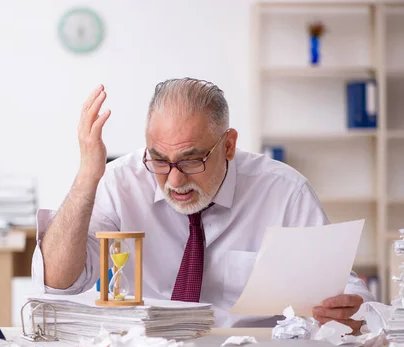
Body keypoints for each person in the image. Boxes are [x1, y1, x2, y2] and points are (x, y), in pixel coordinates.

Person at [31, 78, 374, 331]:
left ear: (228, 145)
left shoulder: (284, 191)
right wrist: (87, 178)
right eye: (159, 159)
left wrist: (350, 310)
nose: (175, 181)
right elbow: (60, 281)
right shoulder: (120, 182)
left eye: (192, 160)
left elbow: (344, 289)